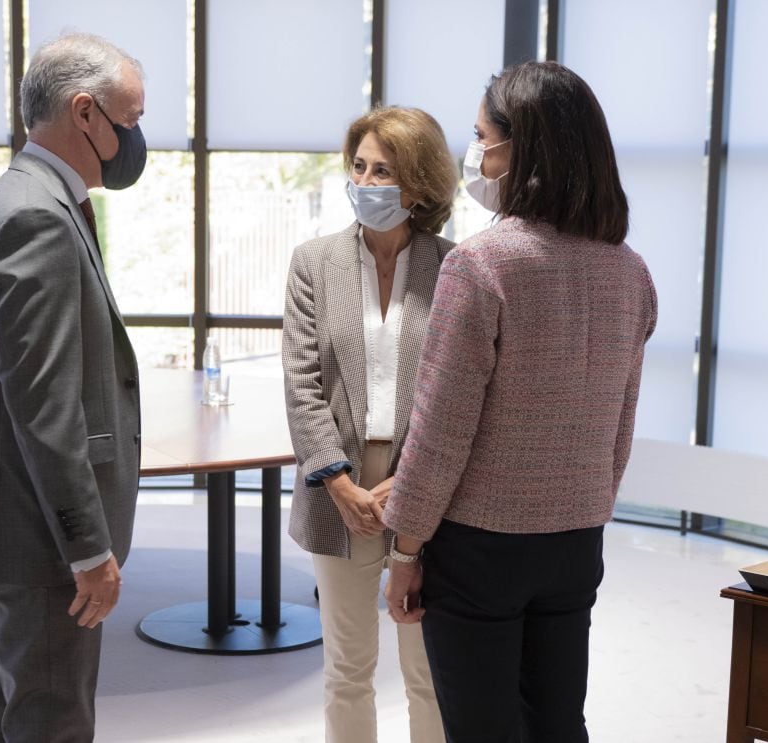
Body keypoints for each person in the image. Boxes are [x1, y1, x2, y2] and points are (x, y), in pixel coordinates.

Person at [382, 61, 658, 743]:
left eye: (482, 138)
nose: (475, 154)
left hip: (481, 548)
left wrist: (404, 549)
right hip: (575, 541)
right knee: (558, 723)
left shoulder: (480, 265)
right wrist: (585, 508)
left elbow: (440, 434)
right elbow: (619, 427)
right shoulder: (629, 271)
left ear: (521, 148)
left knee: (480, 728)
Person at [0, 33, 146, 743]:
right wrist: (88, 550)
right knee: (50, 721)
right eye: (129, 118)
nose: (135, 139)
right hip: (37, 542)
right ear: (84, 113)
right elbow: (45, 407)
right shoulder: (37, 218)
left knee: (9, 715)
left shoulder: (24, 198)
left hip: (10, 531)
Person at [282, 106, 456, 743]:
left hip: (427, 487)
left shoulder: (455, 267)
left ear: (417, 185)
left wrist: (409, 483)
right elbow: (302, 386)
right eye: (359, 166)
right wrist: (338, 483)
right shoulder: (314, 263)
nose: (365, 181)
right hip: (342, 490)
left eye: (384, 170)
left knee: (427, 668)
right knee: (347, 669)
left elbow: (457, 395)